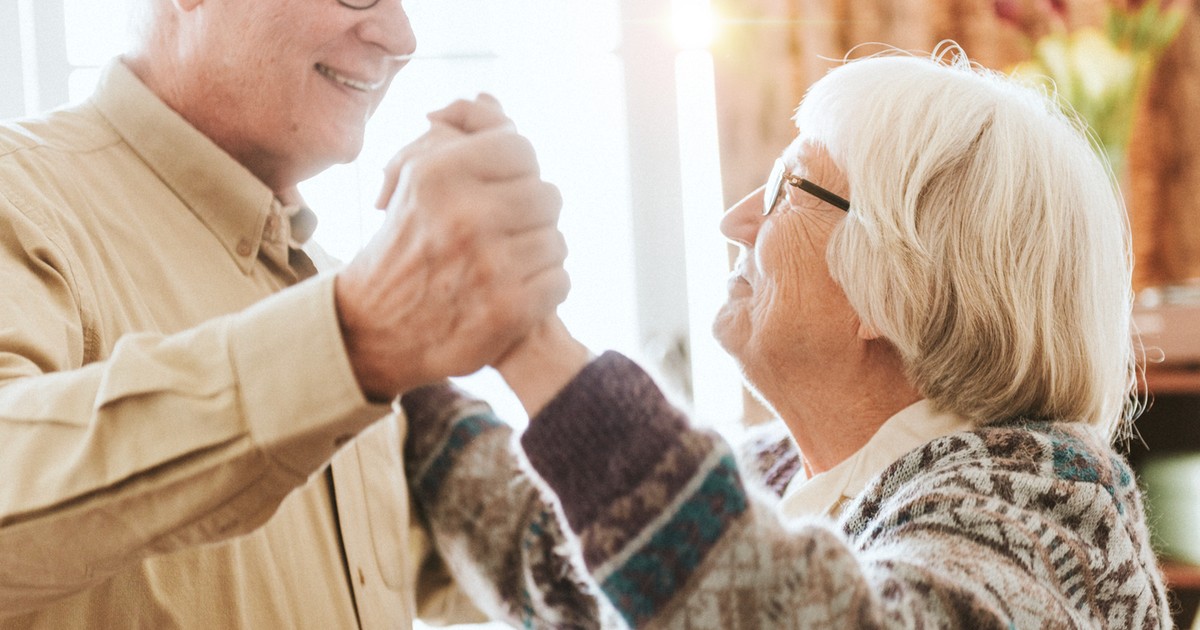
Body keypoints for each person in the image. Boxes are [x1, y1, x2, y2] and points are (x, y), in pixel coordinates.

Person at [403, 47, 1172, 627]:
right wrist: (389, 327)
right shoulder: (778, 474)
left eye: (785, 190)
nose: (735, 220)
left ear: (898, 283)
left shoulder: (1055, 513)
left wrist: (531, 341)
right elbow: (572, 569)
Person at [0, 0, 606, 627]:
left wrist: (528, 334)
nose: (401, 37)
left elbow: (550, 581)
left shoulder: (339, 284)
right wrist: (350, 341)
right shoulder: (15, 195)